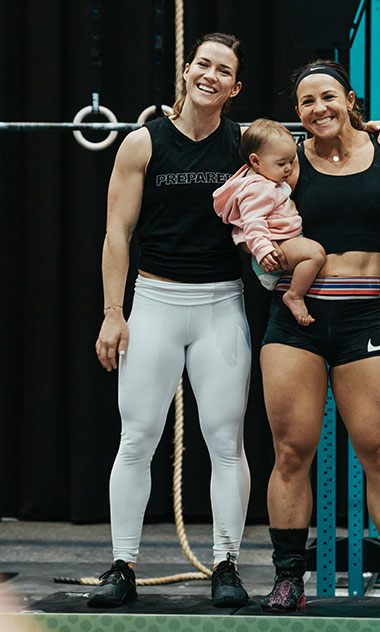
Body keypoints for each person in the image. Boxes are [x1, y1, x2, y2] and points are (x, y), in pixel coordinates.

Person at [259, 60, 380, 614]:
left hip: (362, 321)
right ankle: (288, 578)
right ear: (297, 114)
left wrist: (374, 262)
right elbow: (252, 222)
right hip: (296, 324)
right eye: (307, 102)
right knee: (291, 452)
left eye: (328, 97)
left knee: (379, 451)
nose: (319, 109)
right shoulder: (285, 166)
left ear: (350, 99)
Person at [90, 32, 252, 609]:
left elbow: (328, 146)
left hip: (220, 307)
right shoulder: (142, 144)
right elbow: (117, 233)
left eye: (223, 69)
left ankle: (226, 564)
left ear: (235, 87)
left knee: (225, 441)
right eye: (202, 64)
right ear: (186, 72)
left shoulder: (245, 144)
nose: (210, 75)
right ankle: (121, 565)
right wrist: (114, 315)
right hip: (154, 302)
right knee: (136, 439)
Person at [213, 118, 326, 326]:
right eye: (281, 163)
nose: (289, 169)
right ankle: (294, 295)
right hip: (273, 248)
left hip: (281, 241)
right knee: (315, 254)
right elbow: (253, 223)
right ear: (256, 161)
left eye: (291, 161)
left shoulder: (267, 180)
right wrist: (263, 250)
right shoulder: (258, 188)